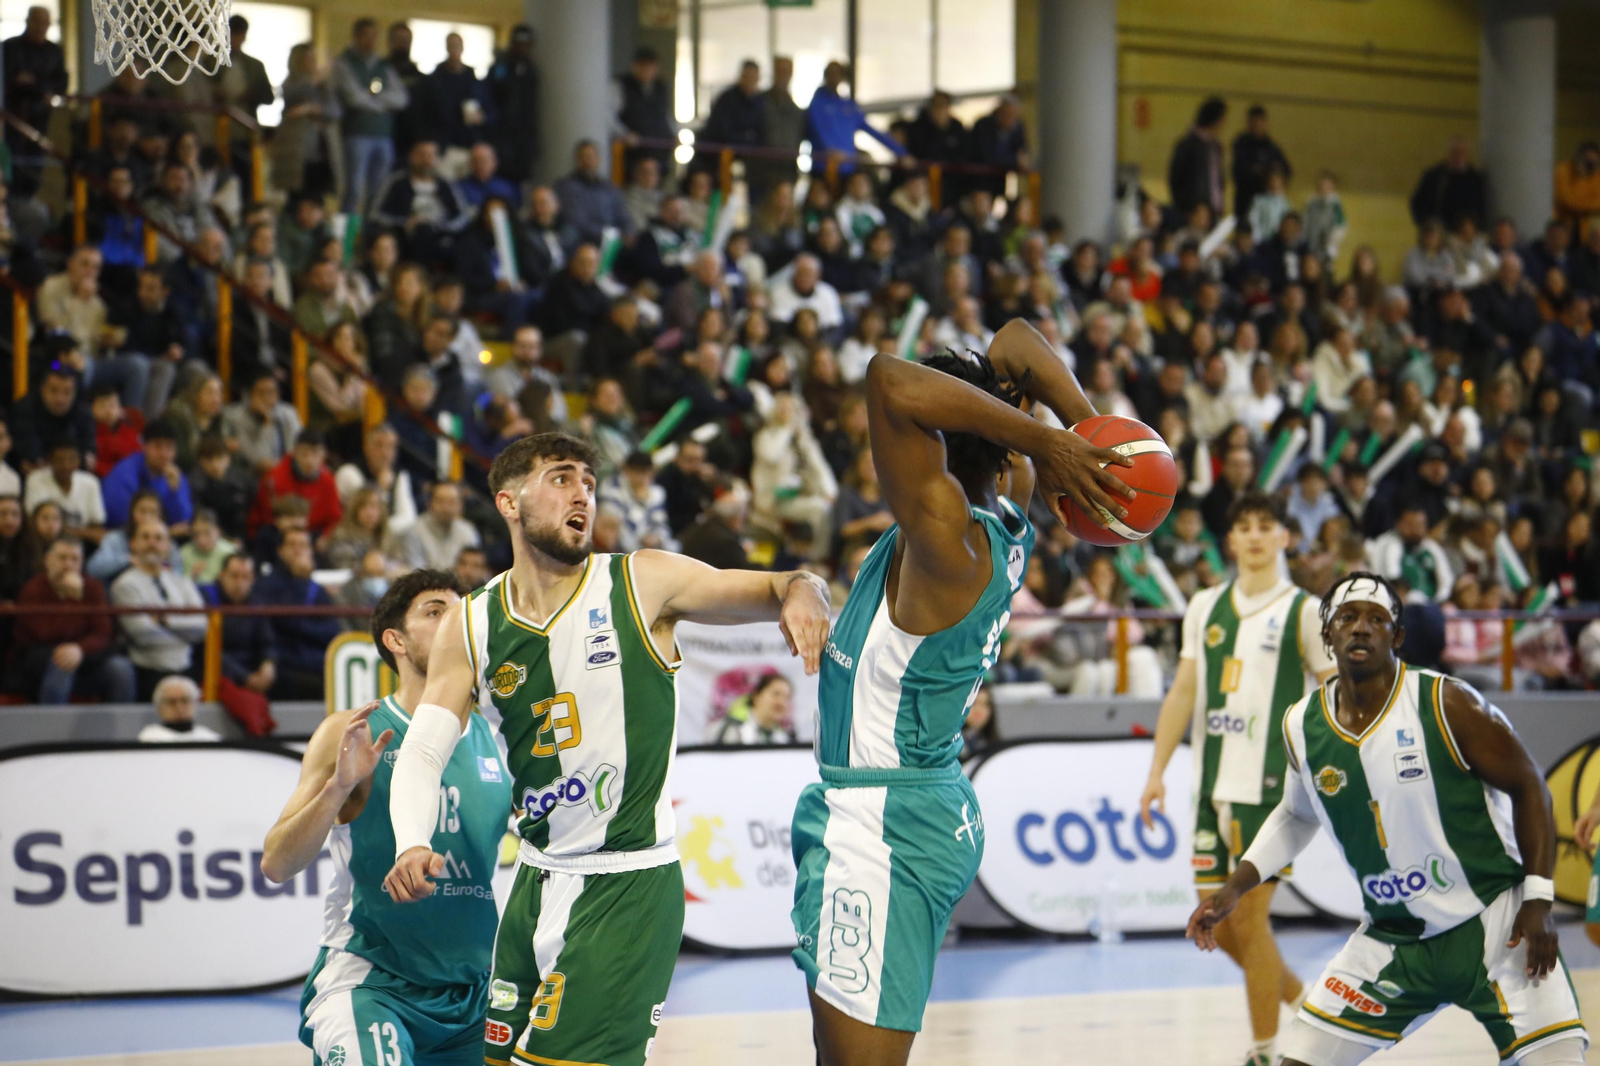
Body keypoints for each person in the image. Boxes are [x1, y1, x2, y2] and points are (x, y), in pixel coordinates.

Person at [381, 431, 834, 1066]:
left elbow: (778, 584)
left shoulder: (644, 582)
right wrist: (411, 841)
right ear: (509, 503)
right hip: (536, 881)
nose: (584, 494)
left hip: (627, 886)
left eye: (590, 483)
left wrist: (805, 588)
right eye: (563, 478)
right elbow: (424, 753)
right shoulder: (473, 621)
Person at [792, 320, 1133, 1062]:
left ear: (935, 442)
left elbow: (887, 377)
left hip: (890, 822)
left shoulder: (947, 533)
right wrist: (1083, 430)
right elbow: (1014, 342)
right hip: (904, 800)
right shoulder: (1008, 500)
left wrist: (1052, 443)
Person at [1189, 572, 1588, 1066]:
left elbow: (1531, 788)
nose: (1361, 628)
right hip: (1394, 938)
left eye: (1377, 619)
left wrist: (1539, 898)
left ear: (1397, 637)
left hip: (1495, 923)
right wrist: (1234, 888)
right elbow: (1295, 814)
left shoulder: (1447, 701)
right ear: (1327, 634)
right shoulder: (1301, 724)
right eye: (1348, 617)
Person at [262, 569, 503, 1066]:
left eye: (460, 613)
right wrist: (339, 788)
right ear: (394, 640)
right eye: (436, 612)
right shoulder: (353, 730)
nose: (454, 622)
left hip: (474, 992)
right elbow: (277, 864)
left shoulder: (497, 737)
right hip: (372, 983)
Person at [1139, 493, 1336, 1066]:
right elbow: (1183, 692)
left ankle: (1268, 1052)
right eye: (1243, 526)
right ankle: (1303, 1001)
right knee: (1218, 926)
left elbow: (1330, 697)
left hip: (1272, 791)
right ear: (1230, 540)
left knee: (1248, 920)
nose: (1253, 535)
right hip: (1211, 785)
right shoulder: (1203, 606)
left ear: (1285, 538)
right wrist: (1156, 772)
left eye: (1265, 525)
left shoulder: (1303, 610)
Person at [8, 535, 135, 704]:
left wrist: (80, 649)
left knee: (120, 669)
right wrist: (72, 600)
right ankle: (53, 728)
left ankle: (123, 729)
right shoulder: (33, 588)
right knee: (62, 661)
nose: (68, 565)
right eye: (62, 558)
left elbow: (103, 632)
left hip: (85, 658)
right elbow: (45, 634)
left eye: (75, 559)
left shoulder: (92, 587)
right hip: (40, 660)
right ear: (48, 560)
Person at [111, 519, 207, 699]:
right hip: (148, 672)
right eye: (145, 537)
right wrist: (184, 636)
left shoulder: (182, 582)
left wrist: (164, 621)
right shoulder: (124, 585)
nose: (152, 543)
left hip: (186, 669)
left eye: (159, 538)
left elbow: (201, 629)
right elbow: (143, 634)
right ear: (133, 544)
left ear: (168, 546)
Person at [334, 18, 410, 214]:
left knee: (379, 190)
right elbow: (353, 97)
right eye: (367, 36)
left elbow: (401, 99)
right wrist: (381, 103)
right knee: (354, 188)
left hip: (383, 135)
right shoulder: (344, 63)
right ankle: (349, 236)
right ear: (356, 37)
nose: (371, 41)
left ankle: (372, 235)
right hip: (357, 134)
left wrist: (373, 99)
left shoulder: (384, 66)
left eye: (375, 36)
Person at [254, 528, 342, 698]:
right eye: (292, 545)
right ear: (280, 551)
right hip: (283, 661)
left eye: (303, 545)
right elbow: (284, 620)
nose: (298, 550)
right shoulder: (266, 584)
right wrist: (301, 581)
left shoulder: (317, 589)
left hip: (315, 660)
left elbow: (332, 630)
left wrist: (303, 627)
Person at [101, 417, 193, 536]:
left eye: (169, 447)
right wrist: (165, 532)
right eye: (157, 446)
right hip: (123, 538)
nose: (164, 454)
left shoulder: (175, 476)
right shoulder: (125, 472)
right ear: (144, 446)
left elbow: (183, 522)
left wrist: (174, 491)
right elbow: (118, 517)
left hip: (163, 540)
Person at [202, 553, 276, 696]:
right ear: (221, 575)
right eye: (234, 576)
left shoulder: (256, 602)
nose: (239, 583)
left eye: (245, 577)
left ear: (253, 579)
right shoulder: (207, 599)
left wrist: (268, 665)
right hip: (219, 670)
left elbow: (267, 641)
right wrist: (244, 677)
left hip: (252, 669)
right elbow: (206, 648)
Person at [806, 61, 904, 164]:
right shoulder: (817, 104)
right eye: (830, 73)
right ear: (825, 75)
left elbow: (873, 131)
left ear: (842, 77)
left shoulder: (848, 106)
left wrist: (901, 152)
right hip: (825, 166)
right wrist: (830, 150)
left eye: (837, 73)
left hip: (847, 166)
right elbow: (817, 130)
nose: (834, 77)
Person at [486, 24, 541, 184]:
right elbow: (491, 93)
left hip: (524, 135)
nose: (522, 48)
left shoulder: (530, 70)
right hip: (502, 132)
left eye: (526, 44)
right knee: (501, 174)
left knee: (522, 176)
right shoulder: (500, 67)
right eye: (518, 43)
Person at [391, 481, 480, 571]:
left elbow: (475, 569)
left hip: (463, 584)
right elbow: (417, 573)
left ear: (460, 505)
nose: (446, 508)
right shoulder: (415, 531)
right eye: (441, 501)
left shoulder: (468, 531)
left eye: (452, 502)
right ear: (429, 503)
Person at [1409, 136, 1488, 231]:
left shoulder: (1475, 180)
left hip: (1464, 234)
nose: (1458, 156)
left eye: (1462, 152)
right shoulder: (1434, 176)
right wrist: (1426, 223)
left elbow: (1480, 208)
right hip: (1438, 233)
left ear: (1468, 154)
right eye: (1454, 152)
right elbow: (1418, 202)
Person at [1231, 105, 1291, 223]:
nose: (1257, 126)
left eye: (1259, 122)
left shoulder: (1271, 147)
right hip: (1246, 202)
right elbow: (1239, 173)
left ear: (1265, 122)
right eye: (1254, 122)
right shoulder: (1241, 145)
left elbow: (1287, 170)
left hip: (1269, 206)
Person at [1170, 97, 1227, 220]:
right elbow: (1176, 179)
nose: (1224, 123)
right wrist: (1189, 207)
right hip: (1194, 213)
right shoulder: (1188, 145)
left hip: (1213, 212)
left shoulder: (1215, 146)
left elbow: (1217, 180)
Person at [714, 674, 794, 744]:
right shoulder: (732, 728)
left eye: (786, 698)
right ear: (756, 696)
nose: (781, 703)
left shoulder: (785, 737)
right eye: (775, 694)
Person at [137, 675, 221, 742]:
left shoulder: (210, 738)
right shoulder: (149, 738)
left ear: (196, 703)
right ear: (159, 707)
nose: (179, 707)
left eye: (185, 700)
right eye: (171, 702)